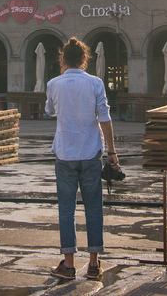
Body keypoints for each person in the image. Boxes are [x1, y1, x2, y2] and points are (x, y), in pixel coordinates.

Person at [44, 37, 120, 281]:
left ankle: (68, 264)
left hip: (65, 154)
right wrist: (112, 152)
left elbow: (49, 111)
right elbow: (105, 119)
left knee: (66, 210)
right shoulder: (95, 83)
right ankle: (94, 263)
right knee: (94, 208)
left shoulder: (54, 83)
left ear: (63, 59)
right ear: (85, 59)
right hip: (90, 154)